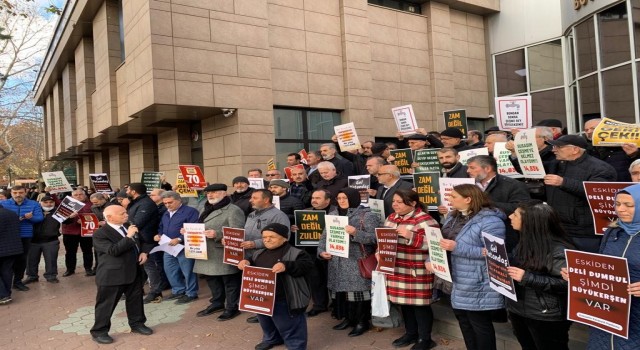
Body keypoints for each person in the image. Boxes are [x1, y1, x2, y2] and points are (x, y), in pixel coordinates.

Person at [561, 183, 640, 349]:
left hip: (636, 317)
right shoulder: (612, 231)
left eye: (629, 205)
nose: (621, 209)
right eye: (617, 204)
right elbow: (602, 265)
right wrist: (579, 275)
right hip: (607, 314)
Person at [438, 184, 506, 350]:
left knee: (479, 324)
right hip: (456, 278)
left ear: (468, 199)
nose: (449, 199)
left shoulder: (491, 221)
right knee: (464, 321)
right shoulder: (453, 217)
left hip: (477, 281)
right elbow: (441, 243)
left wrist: (457, 248)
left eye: (453, 197)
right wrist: (432, 260)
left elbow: (495, 253)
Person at [506, 201, 574, 350]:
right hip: (519, 309)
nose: (510, 216)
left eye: (516, 214)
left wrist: (528, 278)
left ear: (531, 222)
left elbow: (568, 284)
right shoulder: (524, 241)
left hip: (546, 315)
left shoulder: (558, 250)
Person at [238, 223, 314, 350]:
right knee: (266, 322)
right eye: (264, 237)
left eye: (272, 237)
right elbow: (252, 261)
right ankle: (271, 339)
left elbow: (307, 265)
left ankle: (296, 346)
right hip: (262, 297)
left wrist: (286, 266)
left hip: (285, 298)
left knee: (291, 325)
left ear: (284, 238)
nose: (267, 240)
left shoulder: (297, 253)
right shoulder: (259, 253)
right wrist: (246, 262)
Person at [318, 188, 380, 337]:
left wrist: (355, 233)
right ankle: (348, 319)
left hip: (355, 261)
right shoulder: (333, 215)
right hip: (336, 261)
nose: (342, 201)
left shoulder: (367, 215)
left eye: (345, 198)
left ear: (353, 198)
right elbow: (324, 238)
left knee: (358, 295)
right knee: (342, 294)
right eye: (339, 198)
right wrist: (321, 252)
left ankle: (362, 322)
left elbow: (374, 239)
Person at [384, 189, 440, 350]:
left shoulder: (425, 220)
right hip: (397, 267)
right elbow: (384, 239)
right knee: (404, 304)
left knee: (420, 305)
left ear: (413, 203)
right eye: (394, 201)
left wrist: (411, 236)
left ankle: (425, 339)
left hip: (417, 269)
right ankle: (410, 333)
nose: (395, 204)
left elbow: (435, 246)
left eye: (399, 202)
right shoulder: (391, 218)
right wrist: (380, 251)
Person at [90, 205, 152, 344]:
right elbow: (113, 250)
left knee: (136, 300)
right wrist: (129, 236)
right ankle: (99, 331)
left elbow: (143, 241)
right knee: (106, 304)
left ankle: (137, 324)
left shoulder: (129, 226)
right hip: (112, 275)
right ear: (110, 217)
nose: (126, 215)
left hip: (134, 271)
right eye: (122, 213)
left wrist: (144, 251)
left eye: (126, 212)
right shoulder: (100, 234)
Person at [543, 135, 617, 252]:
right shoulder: (556, 164)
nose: (554, 150)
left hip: (584, 232)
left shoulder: (600, 168)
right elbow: (530, 168)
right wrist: (515, 156)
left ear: (575, 150)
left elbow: (598, 193)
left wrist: (564, 182)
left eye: (558, 147)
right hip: (559, 227)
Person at [191, 184, 245, 321]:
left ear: (224, 194)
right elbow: (201, 225)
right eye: (208, 193)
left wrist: (218, 234)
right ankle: (217, 303)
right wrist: (190, 231)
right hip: (206, 251)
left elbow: (238, 232)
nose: (210, 195)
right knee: (212, 280)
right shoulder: (205, 208)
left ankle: (232, 307)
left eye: (214, 193)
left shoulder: (233, 210)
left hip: (223, 252)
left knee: (229, 281)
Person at [241, 189, 290, 324]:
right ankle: (261, 312)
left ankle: (273, 315)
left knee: (269, 288)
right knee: (257, 288)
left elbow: (284, 237)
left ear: (266, 200)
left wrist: (255, 244)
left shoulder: (279, 216)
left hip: (269, 257)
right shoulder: (251, 215)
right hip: (253, 257)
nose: (251, 200)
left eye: (255, 198)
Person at [290, 189, 338, 317]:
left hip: (331, 252)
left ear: (327, 200)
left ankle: (336, 305)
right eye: (313, 198)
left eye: (318, 198)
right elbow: (300, 232)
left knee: (333, 279)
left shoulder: (336, 213)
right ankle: (319, 305)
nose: (314, 200)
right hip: (311, 251)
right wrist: (296, 229)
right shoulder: (305, 213)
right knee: (315, 279)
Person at [155, 191, 200, 304]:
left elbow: (194, 228)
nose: (168, 205)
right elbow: (161, 227)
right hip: (168, 246)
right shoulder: (166, 213)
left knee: (188, 271)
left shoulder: (190, 212)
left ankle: (191, 293)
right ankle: (178, 290)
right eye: (165, 203)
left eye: (170, 202)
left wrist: (180, 238)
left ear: (179, 200)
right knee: (170, 269)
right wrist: (159, 235)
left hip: (184, 246)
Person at [0, 185, 44, 291]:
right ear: (11, 193)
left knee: (22, 259)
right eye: (15, 193)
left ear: (25, 192)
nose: (18, 195)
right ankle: (6, 284)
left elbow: (40, 218)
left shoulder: (33, 204)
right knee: (8, 261)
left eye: (20, 192)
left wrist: (31, 218)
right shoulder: (3, 204)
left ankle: (18, 281)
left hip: (25, 235)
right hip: (8, 236)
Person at [125, 183, 162, 304]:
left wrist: (123, 223)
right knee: (141, 266)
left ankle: (156, 292)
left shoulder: (146, 203)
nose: (126, 192)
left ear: (134, 192)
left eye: (128, 190)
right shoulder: (137, 202)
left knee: (149, 266)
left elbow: (137, 222)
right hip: (138, 239)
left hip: (147, 239)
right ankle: (139, 290)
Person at [583, 118, 639, 182]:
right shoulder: (586, 149)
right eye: (586, 130)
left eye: (593, 128)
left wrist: (634, 155)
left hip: (625, 186)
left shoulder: (628, 145)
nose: (589, 132)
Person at [24, 196, 61, 284]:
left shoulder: (58, 211)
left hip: (51, 240)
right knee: (31, 260)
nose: (48, 204)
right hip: (33, 241)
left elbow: (68, 222)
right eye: (46, 202)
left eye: (51, 202)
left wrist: (70, 217)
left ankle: (51, 276)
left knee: (51, 260)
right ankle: (32, 276)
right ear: (40, 202)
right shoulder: (34, 210)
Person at [61, 189, 94, 277]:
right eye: (76, 195)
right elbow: (61, 218)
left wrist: (83, 220)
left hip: (86, 232)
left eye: (80, 194)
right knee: (70, 252)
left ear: (85, 195)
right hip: (69, 232)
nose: (79, 196)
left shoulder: (91, 204)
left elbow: (95, 217)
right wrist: (70, 217)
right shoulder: (66, 205)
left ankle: (88, 268)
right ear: (72, 196)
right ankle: (70, 269)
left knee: (87, 251)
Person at [0, 203, 22, 304]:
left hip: (3, 248)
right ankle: (7, 293)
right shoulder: (12, 213)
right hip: (12, 248)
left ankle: (3, 295)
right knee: (7, 271)